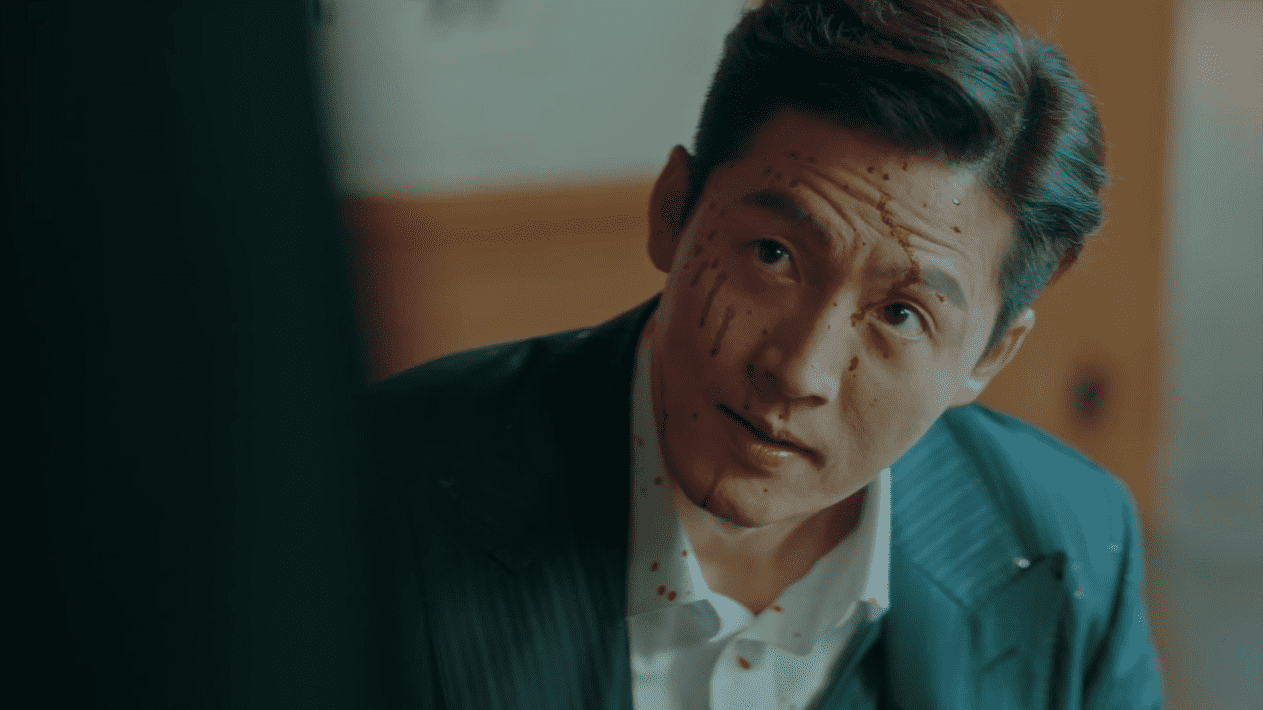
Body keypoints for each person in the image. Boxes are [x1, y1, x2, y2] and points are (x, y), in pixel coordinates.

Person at [360, 1, 1163, 707]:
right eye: (773, 256)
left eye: (900, 314)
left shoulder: (1068, 543)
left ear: (987, 356)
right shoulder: (376, 489)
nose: (798, 370)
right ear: (672, 211)